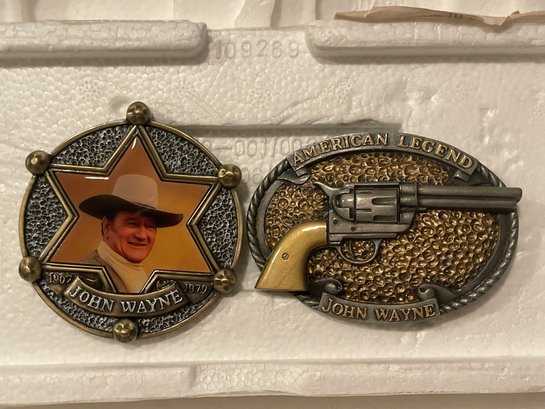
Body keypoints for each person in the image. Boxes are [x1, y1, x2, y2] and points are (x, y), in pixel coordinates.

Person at [79, 174, 183, 293]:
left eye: (150, 226)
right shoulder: (86, 278)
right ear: (107, 227)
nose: (142, 235)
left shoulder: (136, 276)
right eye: (132, 224)